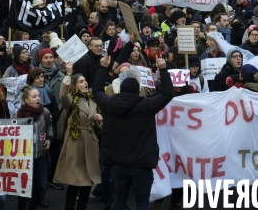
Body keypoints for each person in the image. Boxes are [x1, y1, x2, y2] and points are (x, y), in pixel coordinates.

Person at [92, 53, 174, 210]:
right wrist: (163, 69)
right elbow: (167, 94)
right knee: (142, 202)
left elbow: (96, 89)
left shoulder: (109, 105)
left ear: (120, 90)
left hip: (118, 162)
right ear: (138, 91)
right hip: (142, 164)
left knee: (119, 200)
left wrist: (103, 67)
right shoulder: (147, 106)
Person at [53, 63, 103, 210]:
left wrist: (99, 121)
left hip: (91, 143)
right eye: (81, 81)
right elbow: (62, 94)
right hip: (75, 143)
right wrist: (68, 74)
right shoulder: (71, 101)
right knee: (75, 182)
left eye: (85, 81)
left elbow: (97, 126)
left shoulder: (92, 99)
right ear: (74, 87)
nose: (85, 83)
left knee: (88, 182)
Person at [17, 86, 53, 209]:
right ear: (27, 101)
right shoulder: (18, 115)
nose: (38, 98)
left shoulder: (45, 112)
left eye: (38, 95)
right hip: (25, 157)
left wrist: (49, 138)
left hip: (41, 155)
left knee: (42, 186)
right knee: (24, 188)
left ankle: (32, 207)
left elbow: (49, 127)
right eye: (34, 96)